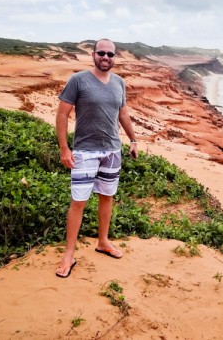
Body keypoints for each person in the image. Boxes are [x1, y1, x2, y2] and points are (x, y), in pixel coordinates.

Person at [55, 38, 138, 278]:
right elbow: (62, 114)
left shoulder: (119, 83)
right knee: (78, 202)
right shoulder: (78, 80)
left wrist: (133, 140)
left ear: (115, 57)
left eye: (110, 54)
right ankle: (69, 254)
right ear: (93, 55)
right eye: (101, 53)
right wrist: (64, 149)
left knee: (107, 197)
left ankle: (103, 241)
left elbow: (123, 113)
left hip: (112, 151)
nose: (105, 57)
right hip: (84, 151)